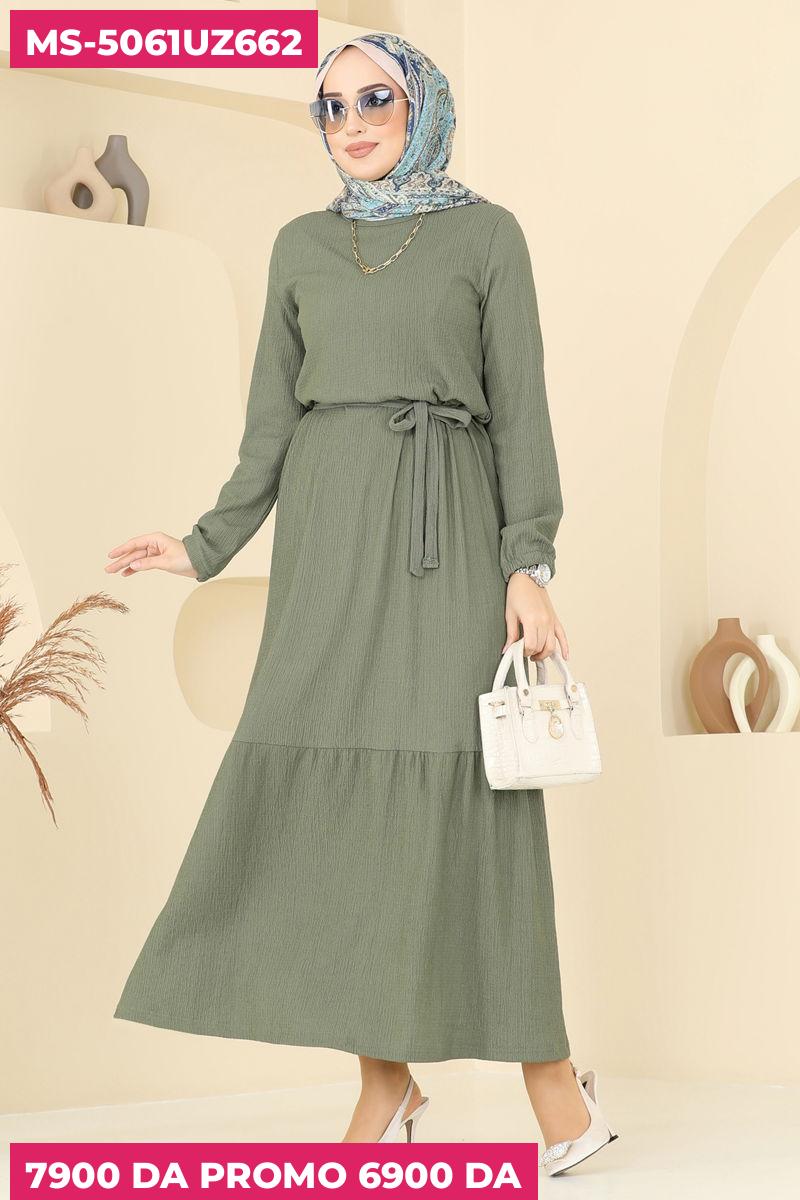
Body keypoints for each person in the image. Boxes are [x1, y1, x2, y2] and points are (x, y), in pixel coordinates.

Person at [107, 31, 618, 1173]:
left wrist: (527, 563)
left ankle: (556, 1094)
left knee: (467, 804)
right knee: (330, 809)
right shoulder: (300, 245)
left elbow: (521, 409)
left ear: (421, 104)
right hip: (327, 548)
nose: (350, 122)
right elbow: (269, 428)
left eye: (374, 98)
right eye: (329, 105)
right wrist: (202, 545)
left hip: (449, 544)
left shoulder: (488, 236)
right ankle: (385, 1084)